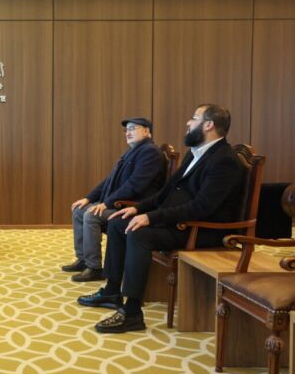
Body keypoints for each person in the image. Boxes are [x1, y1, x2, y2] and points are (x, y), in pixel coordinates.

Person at [77, 104, 245, 333]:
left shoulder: (224, 160)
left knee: (139, 234)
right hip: (181, 222)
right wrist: (138, 209)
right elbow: (166, 192)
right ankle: (112, 291)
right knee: (117, 222)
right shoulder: (195, 153)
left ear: (209, 125)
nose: (188, 123)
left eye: (194, 118)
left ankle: (132, 312)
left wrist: (152, 218)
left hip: (203, 229)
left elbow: (202, 207)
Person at [63, 117, 166, 282]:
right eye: (126, 130)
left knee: (91, 215)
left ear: (147, 131)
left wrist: (107, 203)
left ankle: (94, 267)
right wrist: (89, 198)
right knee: (79, 210)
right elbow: (109, 180)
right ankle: (83, 260)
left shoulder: (150, 152)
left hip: (135, 207)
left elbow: (135, 185)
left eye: (133, 128)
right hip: (120, 203)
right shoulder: (132, 151)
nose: (128, 133)